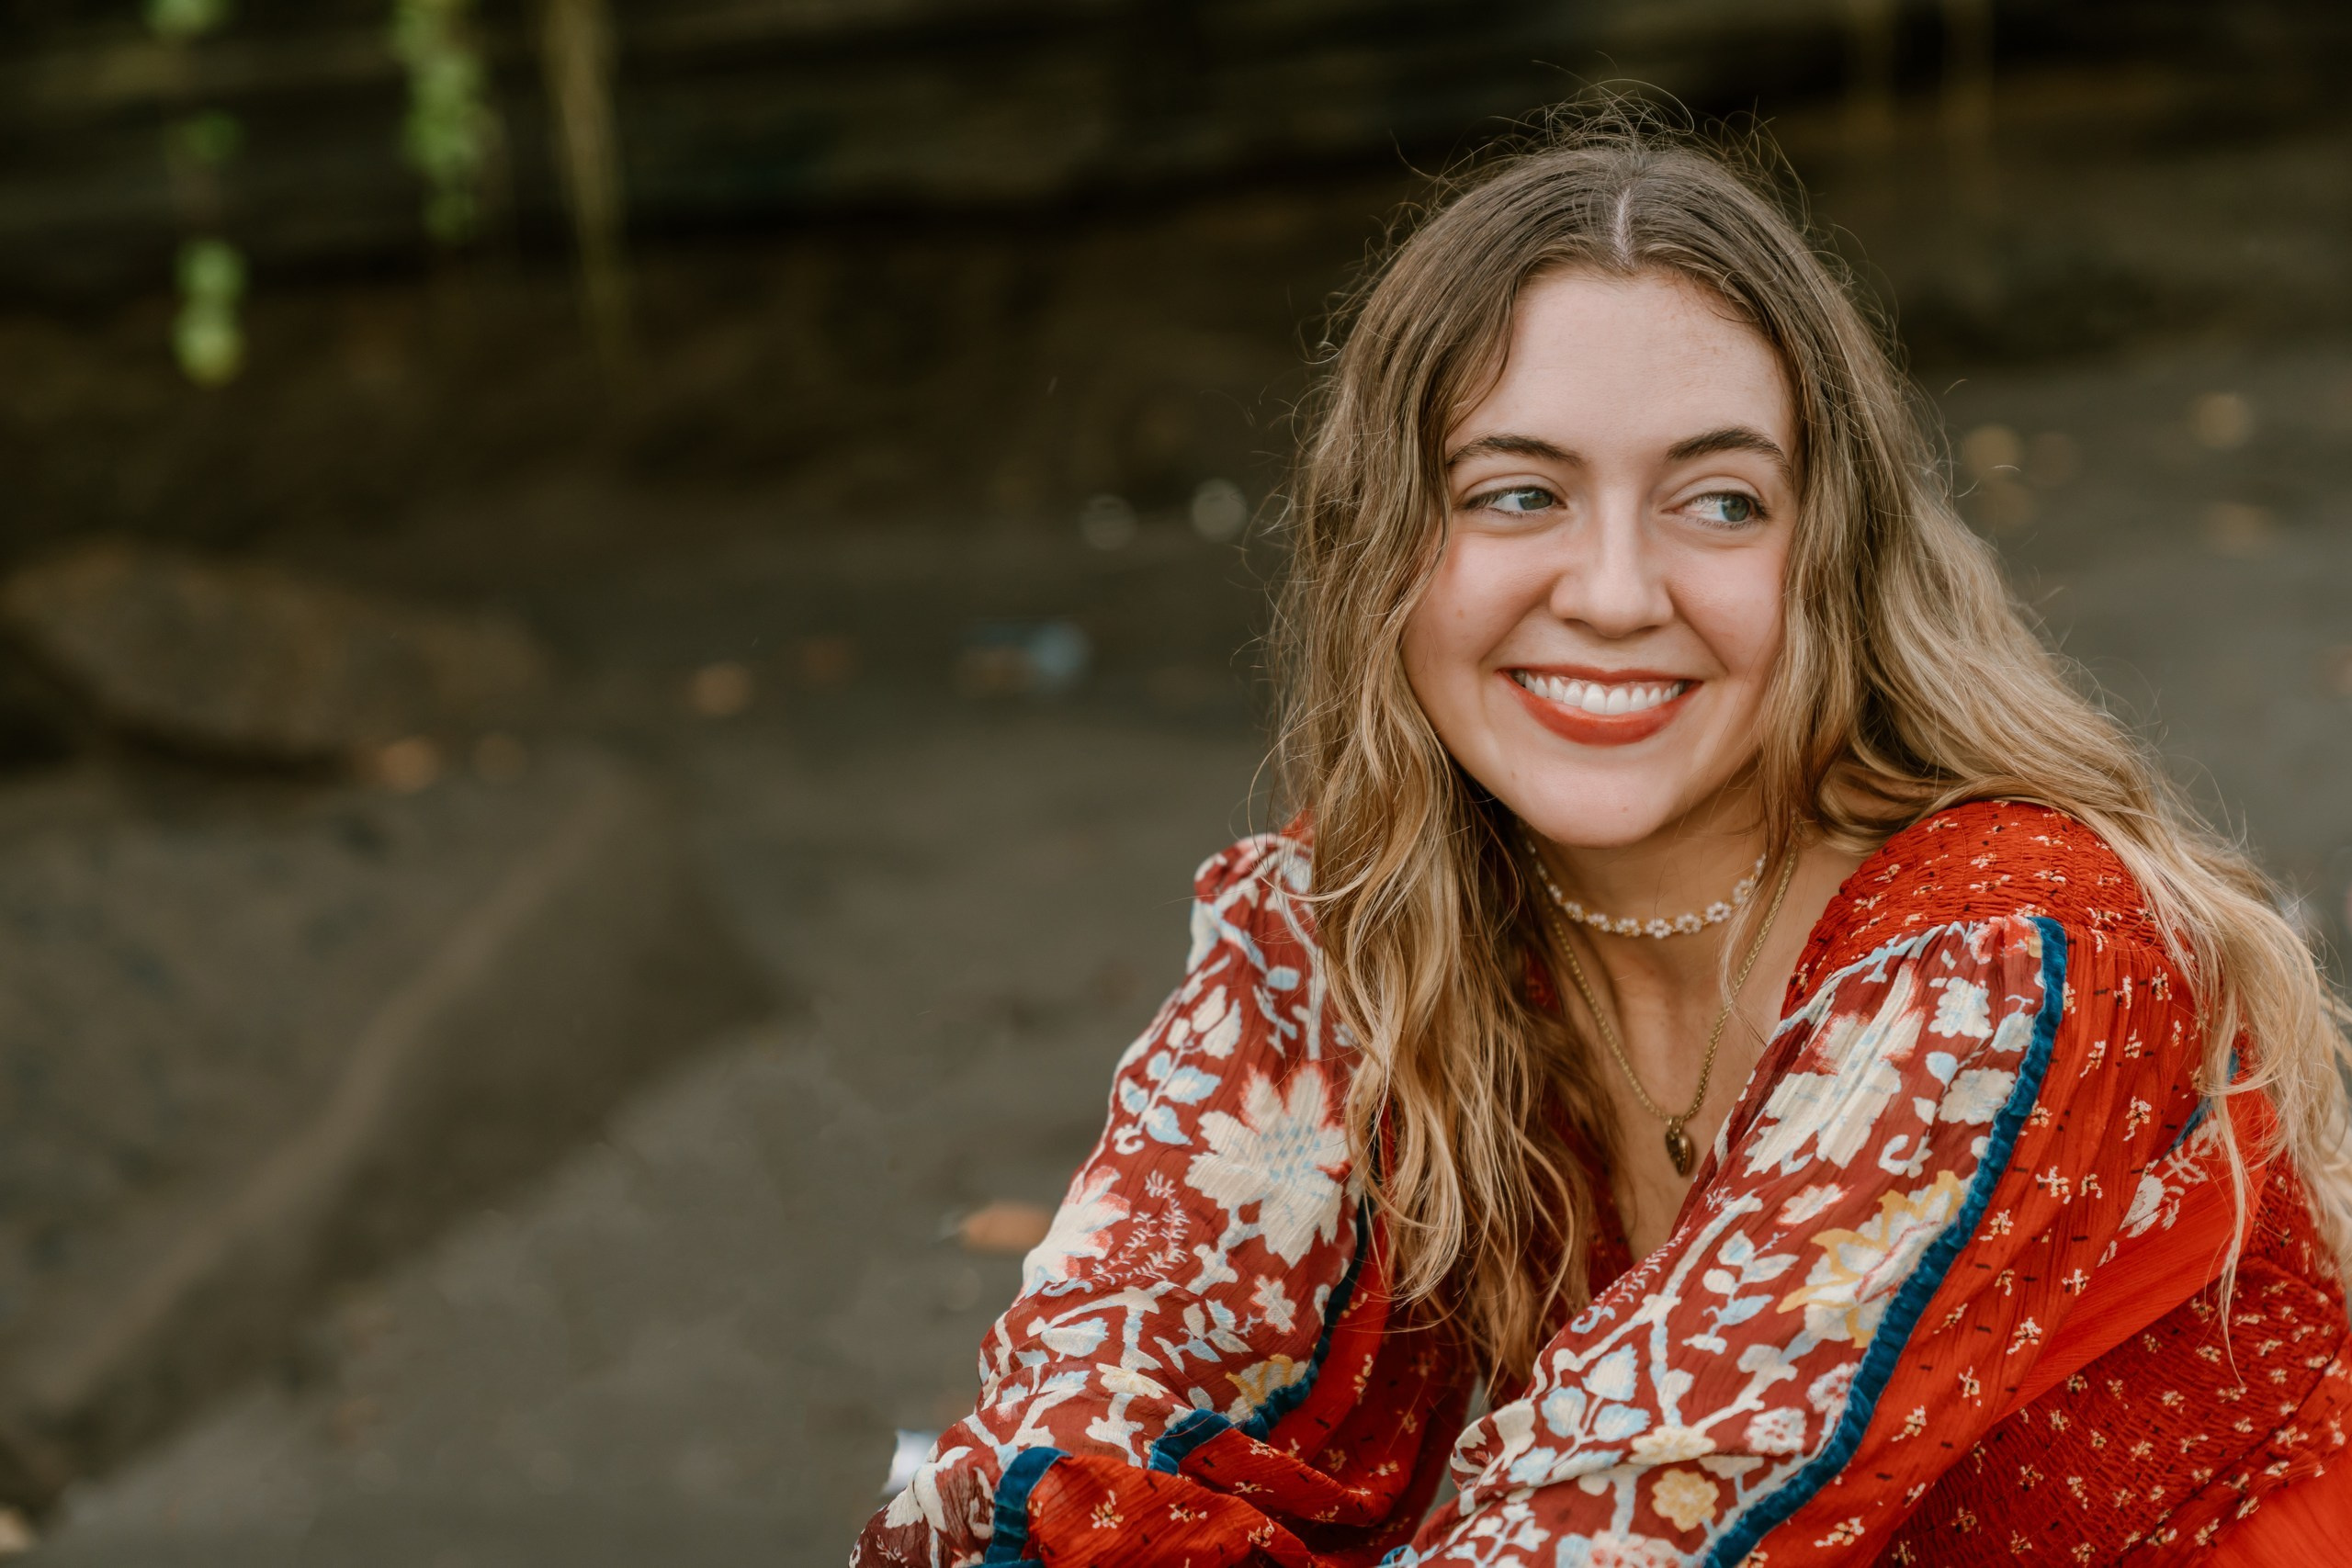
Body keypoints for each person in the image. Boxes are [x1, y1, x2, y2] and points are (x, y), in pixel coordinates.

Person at [852, 110, 2352, 1566]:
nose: (1618, 594)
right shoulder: (1360, 918)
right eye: (1519, 494)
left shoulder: (2010, 960)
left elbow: (1627, 1532)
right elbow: (1076, 1414)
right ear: (1386, 543)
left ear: (1831, 555)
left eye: (1720, 502)